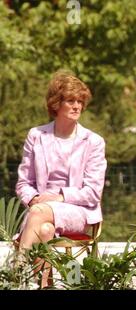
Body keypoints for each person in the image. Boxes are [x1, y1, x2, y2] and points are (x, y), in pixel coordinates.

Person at [15, 71, 106, 271]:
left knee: (38, 213)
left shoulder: (93, 141)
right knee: (45, 230)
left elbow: (92, 193)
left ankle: (16, 270)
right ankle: (45, 285)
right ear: (56, 103)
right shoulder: (36, 136)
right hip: (39, 210)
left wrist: (57, 198)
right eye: (70, 100)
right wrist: (33, 200)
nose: (77, 106)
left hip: (78, 211)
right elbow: (23, 184)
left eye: (80, 101)